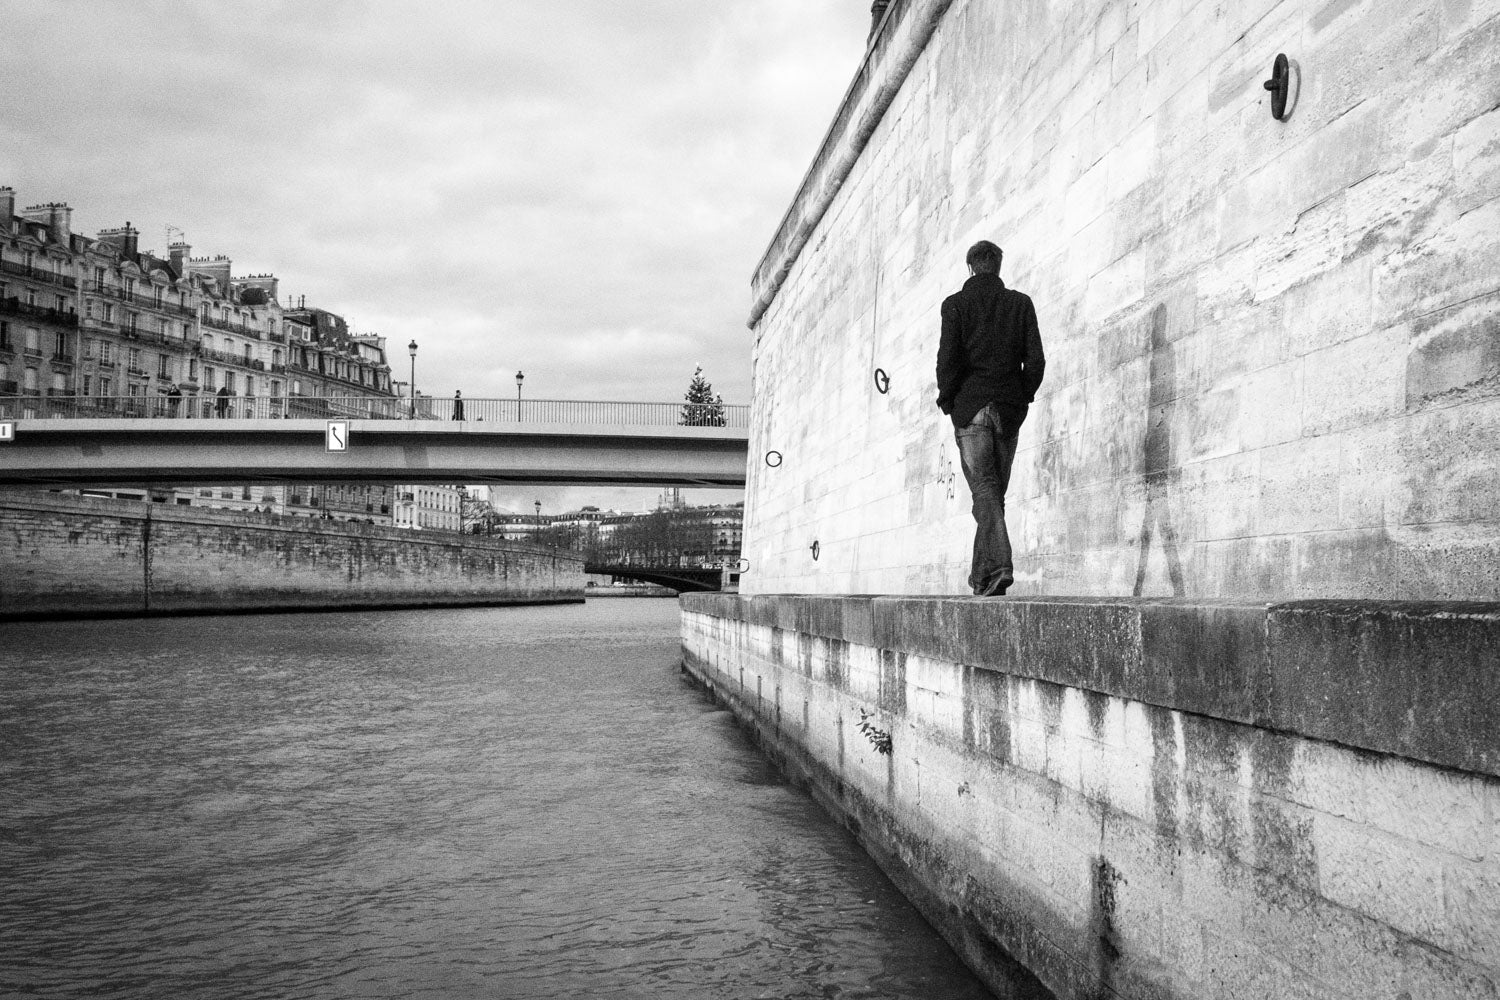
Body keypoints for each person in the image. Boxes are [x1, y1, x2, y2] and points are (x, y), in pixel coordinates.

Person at [935, 239, 1046, 596]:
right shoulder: (1020, 304)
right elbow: (1036, 360)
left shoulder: (955, 305)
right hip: (1008, 411)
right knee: (993, 496)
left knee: (985, 491)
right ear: (997, 266)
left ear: (970, 267)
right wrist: (1023, 394)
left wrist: (949, 400)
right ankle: (983, 581)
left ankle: (998, 567)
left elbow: (947, 361)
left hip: (972, 409)